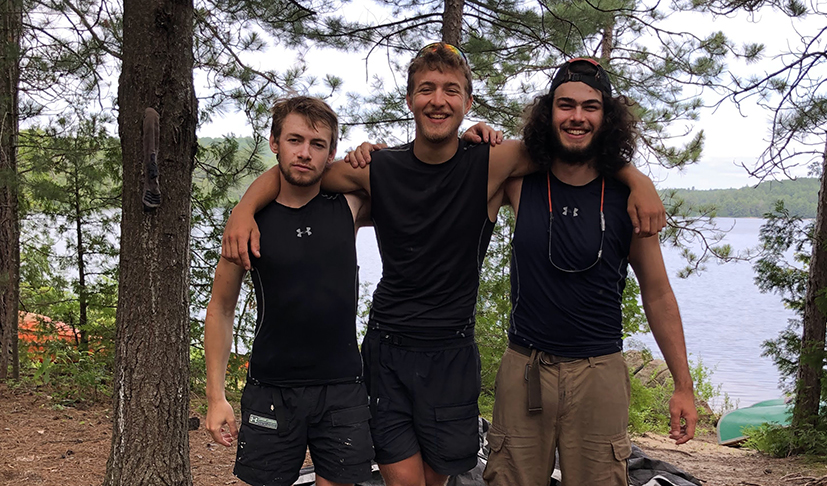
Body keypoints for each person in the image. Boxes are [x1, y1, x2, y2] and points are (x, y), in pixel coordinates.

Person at [220, 43, 666, 486]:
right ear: (410, 99)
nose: (438, 100)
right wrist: (244, 209)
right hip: (387, 349)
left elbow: (576, 142)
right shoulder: (378, 169)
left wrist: (635, 178)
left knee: (437, 479)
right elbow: (300, 170)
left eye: (451, 90)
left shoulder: (492, 164)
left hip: (452, 352)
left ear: (468, 102)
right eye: (426, 89)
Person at [481, 58, 698, 486]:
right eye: (565, 105)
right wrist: (475, 135)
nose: (577, 117)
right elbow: (452, 168)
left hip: (599, 372)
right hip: (525, 368)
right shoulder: (518, 182)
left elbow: (657, 293)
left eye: (590, 107)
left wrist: (683, 385)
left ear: (607, 116)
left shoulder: (628, 198)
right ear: (549, 113)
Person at [204, 96, 374, 486]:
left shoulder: (349, 205)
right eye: (295, 140)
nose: (304, 153)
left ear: (331, 153)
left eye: (318, 145)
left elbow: (416, 183)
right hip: (271, 387)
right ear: (274, 142)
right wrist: (216, 397)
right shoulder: (247, 225)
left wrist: (369, 155)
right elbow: (221, 308)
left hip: (342, 387)